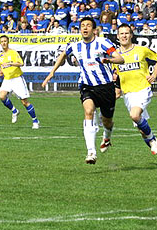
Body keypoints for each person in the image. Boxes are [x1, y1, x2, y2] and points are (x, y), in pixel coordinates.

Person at [42, 17, 125, 164]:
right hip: (87, 86)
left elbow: (120, 59)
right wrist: (52, 72)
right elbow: (63, 55)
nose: (84, 28)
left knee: (107, 121)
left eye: (88, 25)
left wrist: (109, 60)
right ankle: (91, 152)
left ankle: (107, 136)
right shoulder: (75, 46)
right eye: (82, 26)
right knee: (88, 111)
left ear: (94, 30)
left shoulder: (103, 43)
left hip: (106, 87)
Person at [114, 24, 157, 167]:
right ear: (117, 36)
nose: (124, 36)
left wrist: (154, 75)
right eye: (121, 33)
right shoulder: (115, 56)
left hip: (143, 89)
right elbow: (117, 79)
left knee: (134, 115)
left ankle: (153, 141)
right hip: (128, 95)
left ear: (131, 35)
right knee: (142, 130)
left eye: (127, 33)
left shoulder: (141, 50)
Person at [0, 35, 39, 129]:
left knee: (24, 102)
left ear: (8, 42)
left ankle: (35, 121)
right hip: (7, 79)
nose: (3, 43)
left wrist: (10, 63)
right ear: (0, 43)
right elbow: (1, 67)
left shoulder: (13, 53)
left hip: (17, 79)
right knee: (2, 96)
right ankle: (14, 110)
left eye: (5, 41)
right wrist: (1, 71)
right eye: (2, 41)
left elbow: (21, 63)